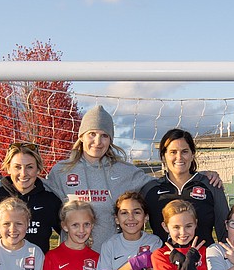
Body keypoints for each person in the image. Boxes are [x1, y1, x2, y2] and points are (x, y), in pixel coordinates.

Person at [44, 105, 154, 248]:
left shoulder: (124, 171)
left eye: (104, 135)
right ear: (81, 136)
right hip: (73, 260)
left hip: (111, 260)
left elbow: (159, 188)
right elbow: (36, 191)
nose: (97, 141)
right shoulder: (61, 171)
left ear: (110, 140)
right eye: (92, 134)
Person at [141, 128, 230, 247]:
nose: (179, 157)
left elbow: (224, 229)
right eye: (173, 152)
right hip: (163, 262)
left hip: (204, 261)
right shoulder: (150, 189)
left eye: (184, 151)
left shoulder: (211, 185)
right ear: (163, 156)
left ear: (192, 154)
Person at [0, 142, 63, 253]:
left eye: (29, 167)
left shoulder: (50, 200)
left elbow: (69, 234)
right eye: (17, 167)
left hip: (36, 269)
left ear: (38, 169)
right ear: (8, 168)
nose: (23, 173)